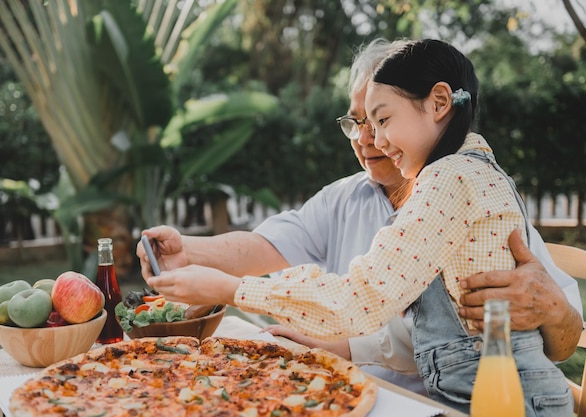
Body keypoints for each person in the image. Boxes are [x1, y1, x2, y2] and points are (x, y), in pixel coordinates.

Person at [141, 39, 578, 415]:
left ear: (439, 103)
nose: (370, 139)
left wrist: (227, 290)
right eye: (358, 121)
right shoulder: (472, 171)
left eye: (382, 120)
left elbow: (361, 299)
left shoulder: (451, 183)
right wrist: (190, 254)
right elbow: (262, 245)